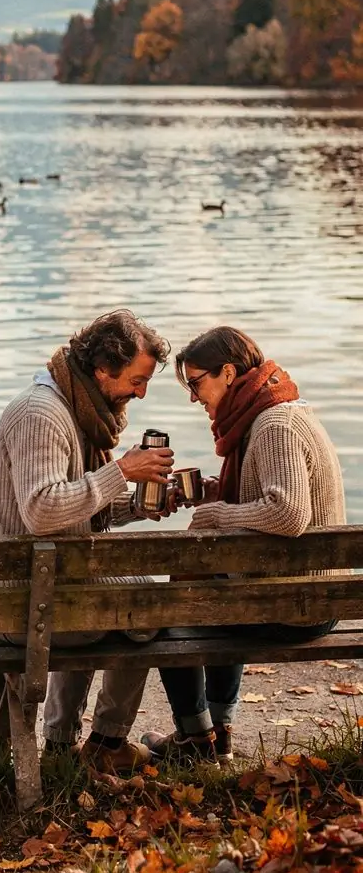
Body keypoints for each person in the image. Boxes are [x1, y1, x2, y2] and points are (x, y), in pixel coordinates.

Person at [142, 327, 346, 766]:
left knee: (168, 610)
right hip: (309, 594)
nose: (194, 397)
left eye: (196, 382)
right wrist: (218, 493)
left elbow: (287, 512)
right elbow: (275, 501)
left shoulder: (273, 425)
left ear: (229, 373)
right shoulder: (274, 411)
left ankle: (197, 740)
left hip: (297, 607)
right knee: (204, 582)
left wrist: (217, 515)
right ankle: (218, 732)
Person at [0, 309, 174, 773]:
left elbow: (82, 509)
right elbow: (43, 509)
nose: (141, 392)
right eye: (136, 379)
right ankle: (106, 745)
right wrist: (122, 470)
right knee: (148, 607)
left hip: (48, 586)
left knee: (120, 596)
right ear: (103, 368)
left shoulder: (76, 410)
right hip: (22, 601)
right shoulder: (41, 415)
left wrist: (139, 506)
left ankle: (63, 743)